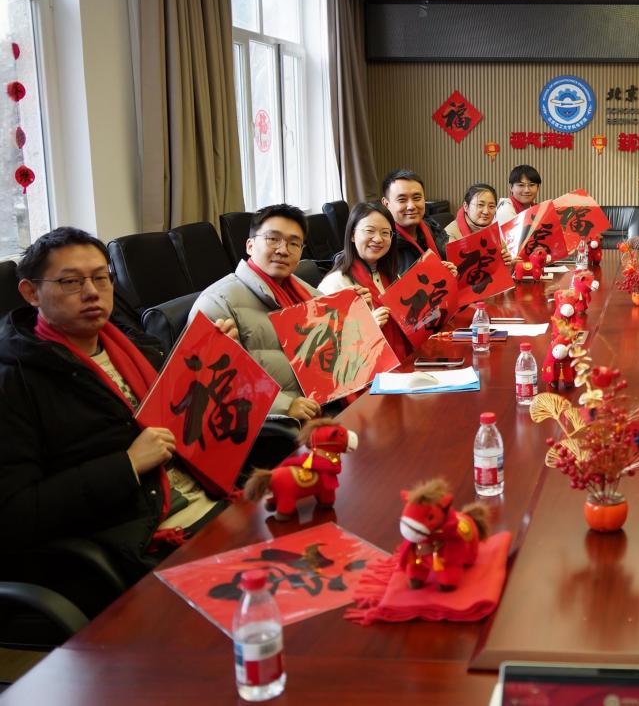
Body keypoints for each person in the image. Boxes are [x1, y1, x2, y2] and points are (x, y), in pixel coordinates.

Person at [0, 228, 230, 590]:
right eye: (71, 282)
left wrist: (211, 366)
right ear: (31, 292)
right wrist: (127, 465)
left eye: (100, 278)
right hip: (146, 544)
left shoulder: (138, 346)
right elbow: (15, 515)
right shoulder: (15, 383)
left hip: (215, 499)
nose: (92, 292)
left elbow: (185, 419)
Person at [190, 204, 321, 422]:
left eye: (294, 243)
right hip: (278, 423)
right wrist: (285, 406)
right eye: (273, 239)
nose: (283, 250)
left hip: (322, 401)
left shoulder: (306, 292)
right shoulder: (217, 303)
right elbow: (216, 382)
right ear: (250, 246)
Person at [319, 201, 414, 366]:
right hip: (366, 371)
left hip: (403, 361)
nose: (378, 239)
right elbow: (326, 351)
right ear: (352, 235)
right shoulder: (335, 284)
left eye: (385, 233)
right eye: (370, 231)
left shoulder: (391, 275)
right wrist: (368, 328)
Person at [381, 169, 449, 270]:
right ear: (386, 204)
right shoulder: (383, 244)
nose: (411, 206)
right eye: (402, 200)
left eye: (417, 198)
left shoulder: (433, 228)